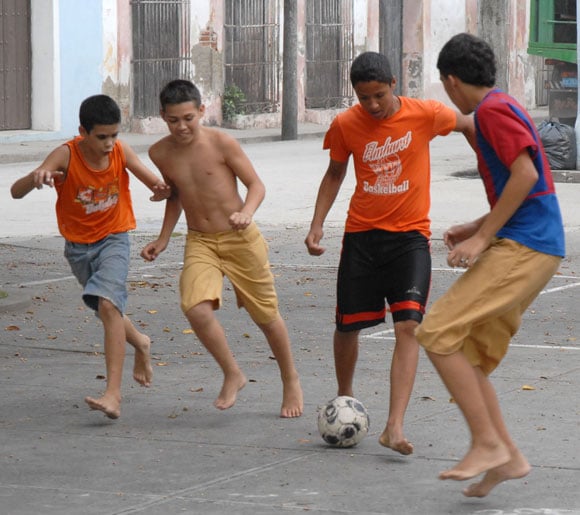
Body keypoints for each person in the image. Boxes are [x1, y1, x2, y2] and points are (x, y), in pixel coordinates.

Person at [416, 33, 565, 497]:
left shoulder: (491, 112)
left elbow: (527, 175)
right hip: (534, 243)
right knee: (470, 356)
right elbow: (526, 188)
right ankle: (508, 456)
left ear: (451, 81)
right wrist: (477, 223)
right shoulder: (504, 104)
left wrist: (484, 237)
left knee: (436, 332)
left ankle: (485, 442)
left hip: (525, 247)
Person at [304, 51, 474, 454]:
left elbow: (469, 122)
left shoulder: (426, 114)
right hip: (362, 237)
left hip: (411, 239)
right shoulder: (346, 123)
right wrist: (316, 224)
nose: (374, 105)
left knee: (408, 327)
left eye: (379, 95)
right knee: (347, 327)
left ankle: (394, 426)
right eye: (365, 98)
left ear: (394, 84)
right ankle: (345, 400)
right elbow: (334, 173)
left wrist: (491, 165)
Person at [140, 79, 303, 418]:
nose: (181, 126)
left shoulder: (222, 143)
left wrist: (247, 212)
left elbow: (256, 185)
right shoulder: (160, 152)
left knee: (266, 316)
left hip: (239, 237)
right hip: (200, 239)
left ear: (201, 111)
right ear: (162, 117)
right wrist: (163, 238)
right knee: (194, 307)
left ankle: (290, 379)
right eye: (173, 120)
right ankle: (232, 372)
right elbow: (177, 195)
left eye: (188, 117)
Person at [11, 94, 171, 419]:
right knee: (105, 305)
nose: (110, 143)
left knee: (109, 306)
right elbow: (16, 191)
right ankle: (140, 341)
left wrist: (160, 189)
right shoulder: (66, 155)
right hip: (78, 248)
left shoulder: (121, 151)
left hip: (114, 239)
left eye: (114, 135)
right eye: (102, 137)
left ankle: (113, 394)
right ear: (83, 131)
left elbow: (153, 181)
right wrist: (37, 177)